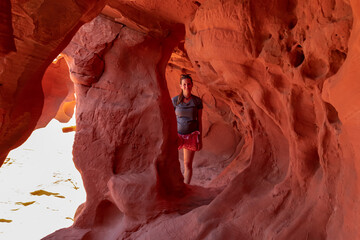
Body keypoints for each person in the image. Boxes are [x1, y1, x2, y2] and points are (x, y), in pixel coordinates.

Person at [172, 74, 203, 184]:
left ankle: (186, 186)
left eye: (188, 84)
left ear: (192, 85)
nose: (187, 86)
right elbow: (170, 119)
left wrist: (200, 139)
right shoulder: (175, 101)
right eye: (184, 84)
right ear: (180, 86)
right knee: (170, 161)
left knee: (187, 164)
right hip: (178, 135)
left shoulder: (197, 101)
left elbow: (199, 120)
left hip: (191, 135)